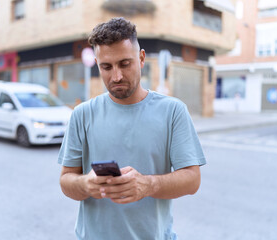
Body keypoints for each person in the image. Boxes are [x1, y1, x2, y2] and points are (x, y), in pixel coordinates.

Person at [58, 17, 206, 240]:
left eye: (124, 64)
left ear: (141, 58)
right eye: (106, 67)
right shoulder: (82, 114)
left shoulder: (173, 111)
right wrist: (85, 184)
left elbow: (193, 180)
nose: (116, 76)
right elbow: (66, 181)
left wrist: (148, 185)